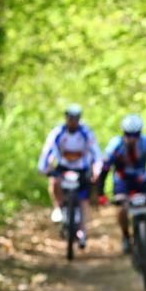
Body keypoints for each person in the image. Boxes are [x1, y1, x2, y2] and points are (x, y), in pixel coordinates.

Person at [96, 114, 146, 281]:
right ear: (123, 133)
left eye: (135, 135)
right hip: (122, 182)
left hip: (142, 181)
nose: (132, 138)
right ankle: (126, 236)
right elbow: (104, 170)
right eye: (128, 135)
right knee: (122, 208)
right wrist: (100, 193)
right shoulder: (115, 145)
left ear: (140, 133)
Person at [37, 103, 101, 248]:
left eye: (75, 118)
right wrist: (43, 167)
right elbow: (47, 150)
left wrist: (97, 169)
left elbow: (96, 152)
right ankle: (58, 208)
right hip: (63, 167)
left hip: (81, 169)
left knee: (83, 198)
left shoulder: (86, 132)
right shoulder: (58, 132)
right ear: (66, 118)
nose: (72, 121)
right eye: (70, 118)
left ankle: (82, 231)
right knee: (54, 182)